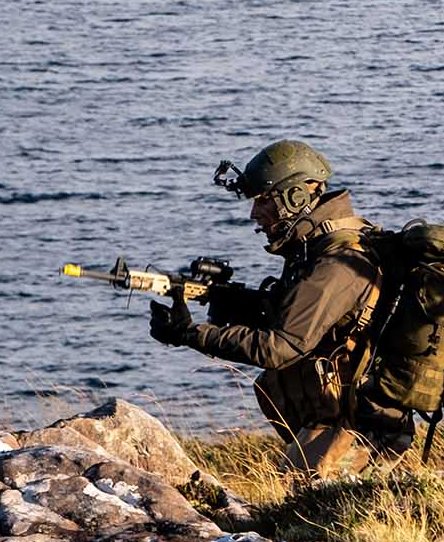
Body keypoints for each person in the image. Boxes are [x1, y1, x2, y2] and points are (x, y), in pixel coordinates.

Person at [147, 138, 406, 476]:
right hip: (340, 422)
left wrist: (191, 334)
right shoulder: (314, 251)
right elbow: (298, 314)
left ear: (295, 198)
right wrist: (229, 301)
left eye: (263, 201)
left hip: (359, 432)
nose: (255, 214)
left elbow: (281, 347)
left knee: (303, 511)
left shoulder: (335, 265)